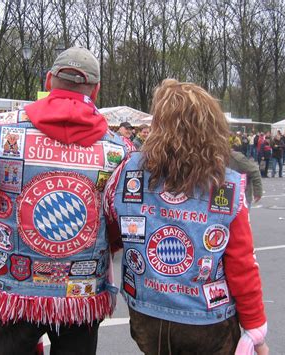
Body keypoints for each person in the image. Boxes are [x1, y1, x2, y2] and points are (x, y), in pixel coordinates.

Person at [0, 46, 128, 354]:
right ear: (95, 90)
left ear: (48, 81)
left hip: (12, 291)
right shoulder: (118, 150)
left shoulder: (0, 131)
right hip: (80, 297)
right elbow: (118, 229)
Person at [104, 79, 268, 355]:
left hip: (146, 315)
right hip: (206, 319)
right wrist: (256, 330)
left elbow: (112, 228)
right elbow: (242, 264)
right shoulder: (226, 185)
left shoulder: (127, 171)